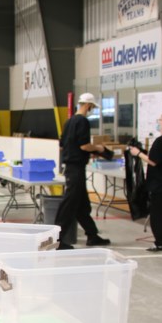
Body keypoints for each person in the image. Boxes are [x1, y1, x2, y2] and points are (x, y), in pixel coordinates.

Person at [54, 92, 112, 250]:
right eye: (92, 107)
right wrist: (99, 148)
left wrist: (82, 151)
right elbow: (84, 145)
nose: (91, 109)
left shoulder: (69, 122)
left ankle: (92, 235)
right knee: (69, 205)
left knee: (81, 205)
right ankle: (56, 240)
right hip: (76, 169)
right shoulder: (83, 122)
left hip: (70, 167)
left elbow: (62, 145)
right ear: (88, 106)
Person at [129, 112, 162, 251]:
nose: (157, 122)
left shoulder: (161, 141)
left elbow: (153, 161)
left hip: (160, 185)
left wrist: (138, 153)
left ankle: (160, 242)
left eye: (160, 120)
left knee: (158, 215)